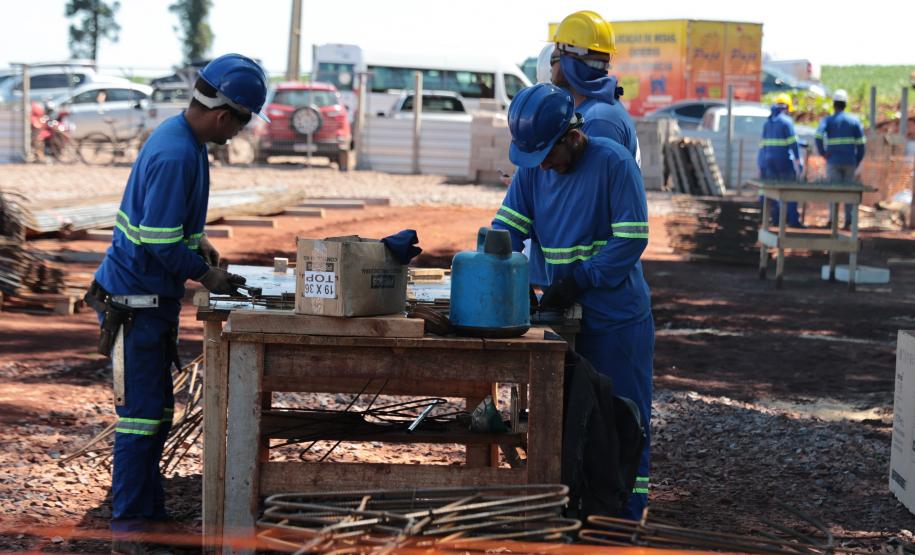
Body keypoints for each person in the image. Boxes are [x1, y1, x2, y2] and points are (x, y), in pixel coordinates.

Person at [84, 53, 269, 555]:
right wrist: (206, 273)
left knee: (156, 415)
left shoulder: (182, 139)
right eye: (244, 122)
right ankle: (129, 531)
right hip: (134, 302)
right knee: (141, 420)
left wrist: (199, 241)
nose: (240, 133)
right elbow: (159, 241)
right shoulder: (176, 154)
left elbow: (173, 228)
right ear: (224, 115)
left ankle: (150, 518)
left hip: (146, 301)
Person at [491, 83, 654, 519]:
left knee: (622, 418)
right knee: (567, 421)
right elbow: (505, 230)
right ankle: (571, 510)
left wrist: (581, 278)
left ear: (573, 136)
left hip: (616, 319)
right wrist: (507, 273)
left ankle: (624, 517)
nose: (542, 164)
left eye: (547, 154)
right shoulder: (533, 169)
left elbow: (631, 239)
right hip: (561, 317)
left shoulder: (614, 164)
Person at [548, 10, 640, 166]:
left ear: (571, 62)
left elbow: (588, 188)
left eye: (554, 54)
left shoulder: (598, 121)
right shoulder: (597, 110)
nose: (550, 64)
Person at [815, 89, 866, 229]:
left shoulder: (828, 120)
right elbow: (861, 145)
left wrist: (823, 153)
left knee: (834, 191)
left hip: (833, 162)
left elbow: (818, 136)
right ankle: (849, 222)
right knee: (849, 192)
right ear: (845, 104)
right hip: (850, 162)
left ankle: (833, 220)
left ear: (834, 105)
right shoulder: (854, 121)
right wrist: (856, 160)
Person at [758, 93, 804, 227]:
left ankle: (777, 221)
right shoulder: (786, 121)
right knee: (790, 190)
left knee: (775, 192)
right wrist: (798, 160)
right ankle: (793, 221)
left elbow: (765, 145)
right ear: (787, 107)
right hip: (784, 161)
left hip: (769, 162)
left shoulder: (768, 122)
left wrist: (761, 165)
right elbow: (792, 142)